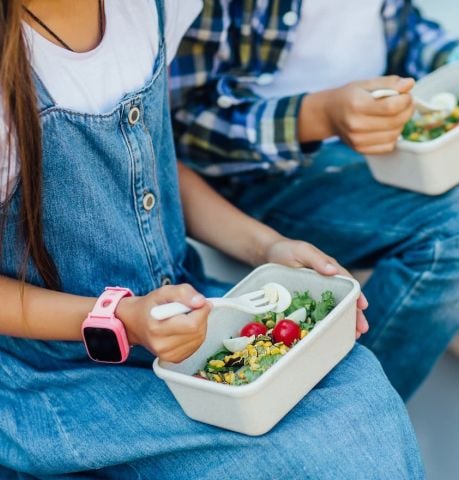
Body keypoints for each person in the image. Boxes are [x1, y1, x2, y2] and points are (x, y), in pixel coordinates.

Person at [0, 0, 425, 478]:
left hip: (190, 321)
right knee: (298, 458)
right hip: (58, 377)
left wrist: (268, 249)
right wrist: (122, 320)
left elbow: (152, 167)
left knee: (358, 383)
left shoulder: (151, 9)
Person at [170, 0, 459, 430]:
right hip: (266, 173)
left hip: (392, 133)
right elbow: (179, 128)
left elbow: (402, 27)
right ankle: (347, 423)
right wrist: (316, 117)